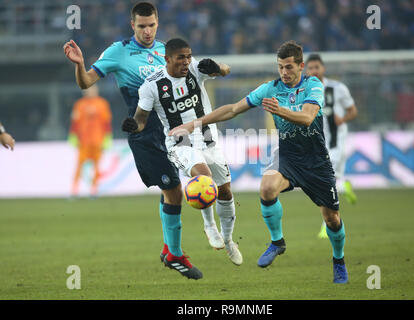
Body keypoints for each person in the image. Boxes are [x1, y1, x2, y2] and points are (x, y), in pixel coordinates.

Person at [169, 41, 348, 283]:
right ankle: (277, 242)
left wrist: (279, 110)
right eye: (280, 67)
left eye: (289, 67)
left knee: (332, 219)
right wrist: (193, 124)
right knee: (266, 188)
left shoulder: (312, 85)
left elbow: (307, 118)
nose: (284, 73)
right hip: (287, 155)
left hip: (316, 161)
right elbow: (232, 109)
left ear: (301, 66)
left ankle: (338, 260)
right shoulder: (270, 89)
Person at [63, 2, 200, 280]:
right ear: (132, 25)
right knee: (174, 189)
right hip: (144, 132)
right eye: (141, 26)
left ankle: (170, 250)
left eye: (151, 25)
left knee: (175, 190)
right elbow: (86, 83)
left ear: (158, 23)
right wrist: (79, 65)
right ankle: (173, 254)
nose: (147, 31)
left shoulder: (167, 50)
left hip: (173, 130)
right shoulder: (119, 51)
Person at [122, 38, 243, 271]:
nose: (186, 62)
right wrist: (132, 126)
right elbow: (140, 120)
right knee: (204, 178)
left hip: (208, 138)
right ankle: (209, 226)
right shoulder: (151, 85)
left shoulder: (196, 68)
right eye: (181, 58)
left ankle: (228, 240)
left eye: (189, 56)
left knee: (225, 191)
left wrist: (217, 67)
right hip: (180, 142)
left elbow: (226, 71)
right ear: (167, 59)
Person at [305, 54, 358, 239]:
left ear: (323, 68)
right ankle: (345, 187)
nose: (313, 71)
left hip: (336, 143)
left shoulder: (338, 88)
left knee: (327, 181)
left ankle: (327, 225)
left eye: (316, 67)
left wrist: (342, 118)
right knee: (329, 182)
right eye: (310, 68)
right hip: (318, 144)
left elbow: (353, 111)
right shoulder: (304, 90)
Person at [69, 84, 112, 197]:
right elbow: (75, 122)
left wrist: (107, 138)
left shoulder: (102, 104)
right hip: (83, 141)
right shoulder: (79, 105)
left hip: (98, 140)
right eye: (88, 89)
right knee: (79, 165)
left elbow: (106, 122)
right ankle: (74, 190)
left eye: (93, 89)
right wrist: (73, 137)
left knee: (97, 166)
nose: (90, 91)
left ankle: (94, 189)